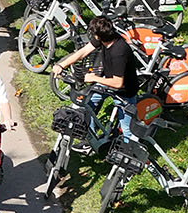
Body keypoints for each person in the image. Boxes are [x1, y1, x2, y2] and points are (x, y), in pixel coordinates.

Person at [44, 14, 137, 198]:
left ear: (100, 36)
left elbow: (118, 83)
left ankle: (129, 164)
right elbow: (82, 52)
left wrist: (94, 78)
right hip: (105, 82)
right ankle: (90, 140)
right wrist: (61, 64)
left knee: (127, 129)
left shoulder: (119, 50)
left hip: (124, 91)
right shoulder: (103, 40)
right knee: (86, 107)